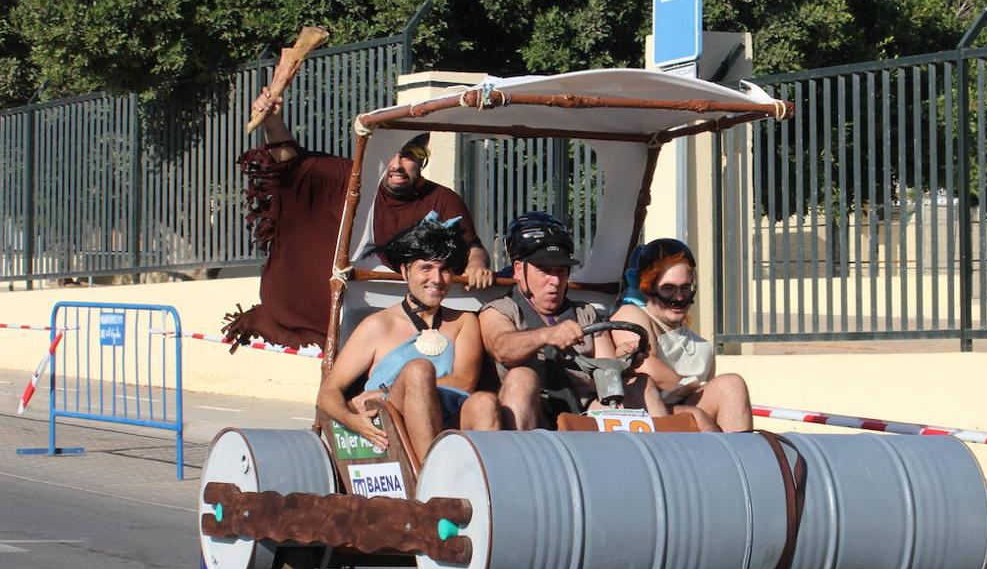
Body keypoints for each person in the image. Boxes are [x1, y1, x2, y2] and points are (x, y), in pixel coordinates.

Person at [224, 86, 494, 351]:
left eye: (411, 155)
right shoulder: (348, 178)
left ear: (423, 159)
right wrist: (272, 122)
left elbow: (471, 247)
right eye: (391, 154)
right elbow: (290, 162)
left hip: (412, 321)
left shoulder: (442, 199)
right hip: (345, 317)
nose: (398, 164)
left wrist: (476, 266)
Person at [317, 215, 501, 462]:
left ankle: (487, 488)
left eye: (444, 269)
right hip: (392, 428)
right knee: (418, 370)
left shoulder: (463, 322)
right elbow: (328, 392)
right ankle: (430, 476)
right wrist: (353, 420)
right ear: (405, 271)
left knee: (485, 402)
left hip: (449, 418)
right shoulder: (378, 325)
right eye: (426, 268)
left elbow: (464, 381)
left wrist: (385, 391)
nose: (436, 279)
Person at [479, 212, 666, 430]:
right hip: (535, 416)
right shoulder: (499, 310)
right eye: (545, 271)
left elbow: (606, 368)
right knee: (522, 377)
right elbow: (502, 348)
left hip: (585, 415)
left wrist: (623, 359)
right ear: (519, 269)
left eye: (561, 271)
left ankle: (666, 458)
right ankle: (519, 461)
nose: (555, 281)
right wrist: (547, 335)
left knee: (642, 384)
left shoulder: (585, 313)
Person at [610, 239, 752, 433]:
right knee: (696, 416)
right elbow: (645, 364)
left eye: (685, 288)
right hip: (644, 417)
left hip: (688, 421)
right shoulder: (630, 313)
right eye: (669, 288)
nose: (679, 298)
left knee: (731, 384)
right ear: (648, 288)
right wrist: (687, 386)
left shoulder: (703, 347)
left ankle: (743, 457)